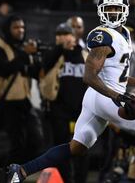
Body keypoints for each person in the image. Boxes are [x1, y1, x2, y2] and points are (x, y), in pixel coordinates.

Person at [6, 0, 135, 183]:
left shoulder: (125, 34)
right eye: (109, 9)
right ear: (101, 11)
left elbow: (113, 72)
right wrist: (117, 96)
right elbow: (89, 76)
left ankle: (21, 171)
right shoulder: (102, 36)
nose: (112, 13)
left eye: (116, 9)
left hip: (98, 97)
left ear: (125, 11)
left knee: (76, 147)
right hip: (106, 96)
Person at [0, 14, 45, 182]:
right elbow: (3, 69)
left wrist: (38, 59)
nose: (20, 31)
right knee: (17, 143)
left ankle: (7, 173)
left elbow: (34, 72)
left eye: (22, 27)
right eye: (16, 27)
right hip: (7, 102)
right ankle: (8, 175)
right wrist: (24, 55)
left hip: (24, 101)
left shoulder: (22, 48)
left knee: (36, 140)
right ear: (7, 29)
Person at [41, 22, 89, 183]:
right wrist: (60, 48)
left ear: (73, 37)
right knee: (61, 150)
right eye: (59, 34)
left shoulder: (84, 54)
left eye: (66, 34)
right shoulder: (53, 54)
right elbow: (44, 66)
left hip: (81, 111)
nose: (62, 37)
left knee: (82, 150)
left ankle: (80, 180)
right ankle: (65, 180)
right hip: (59, 110)